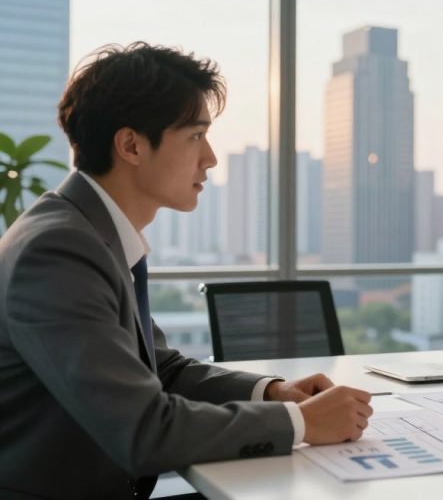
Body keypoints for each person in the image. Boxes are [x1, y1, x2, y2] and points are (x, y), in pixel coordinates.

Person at [0, 43, 374, 499]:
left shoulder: (90, 232)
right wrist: (302, 423)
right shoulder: (58, 251)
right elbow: (144, 431)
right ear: (131, 145)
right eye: (196, 135)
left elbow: (163, 369)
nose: (211, 157)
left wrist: (273, 393)